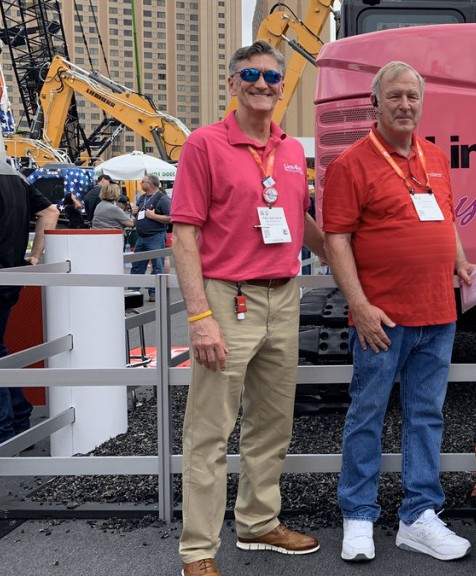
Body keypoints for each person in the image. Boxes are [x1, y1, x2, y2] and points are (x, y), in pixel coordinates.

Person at [170, 41, 325, 576]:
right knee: (210, 430)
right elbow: (184, 236)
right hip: (224, 295)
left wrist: (351, 271)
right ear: (233, 83)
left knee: (271, 423)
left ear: (284, 86)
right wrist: (198, 317)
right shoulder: (204, 145)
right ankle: (198, 550)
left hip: (283, 295)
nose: (263, 84)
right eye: (252, 75)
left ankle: (259, 522)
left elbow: (301, 222)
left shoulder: (288, 150)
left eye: (272, 77)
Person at [322, 61, 476, 564]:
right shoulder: (352, 163)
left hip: (439, 311)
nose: (405, 105)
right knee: (366, 414)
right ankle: (359, 515)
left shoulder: (435, 157)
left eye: (412, 96)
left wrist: (458, 259)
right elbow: (337, 240)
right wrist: (359, 306)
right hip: (381, 319)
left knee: (426, 416)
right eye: (395, 97)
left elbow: (446, 215)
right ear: (376, 101)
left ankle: (418, 516)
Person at [0, 116, 59, 449]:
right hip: (10, 274)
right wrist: (33, 256)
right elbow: (49, 211)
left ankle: (2, 431)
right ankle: (18, 419)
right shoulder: (13, 172)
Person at [129, 173, 171, 302]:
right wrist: (134, 212)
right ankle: (133, 291)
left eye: (143, 181)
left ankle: (154, 292)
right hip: (141, 237)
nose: (141, 183)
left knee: (157, 266)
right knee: (137, 265)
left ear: (151, 184)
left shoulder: (163, 199)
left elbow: (171, 218)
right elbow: (139, 214)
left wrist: (154, 217)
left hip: (156, 236)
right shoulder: (142, 198)